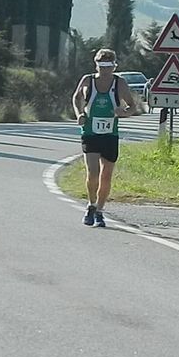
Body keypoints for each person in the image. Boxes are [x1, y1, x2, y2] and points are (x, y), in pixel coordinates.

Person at [71, 48, 135, 227]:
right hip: (90, 133)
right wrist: (79, 114)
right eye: (101, 65)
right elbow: (76, 98)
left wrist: (123, 113)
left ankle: (100, 210)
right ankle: (91, 205)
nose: (104, 69)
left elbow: (132, 106)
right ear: (96, 64)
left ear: (114, 66)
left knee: (106, 175)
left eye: (108, 66)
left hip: (110, 134)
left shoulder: (119, 83)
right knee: (93, 173)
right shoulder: (87, 80)